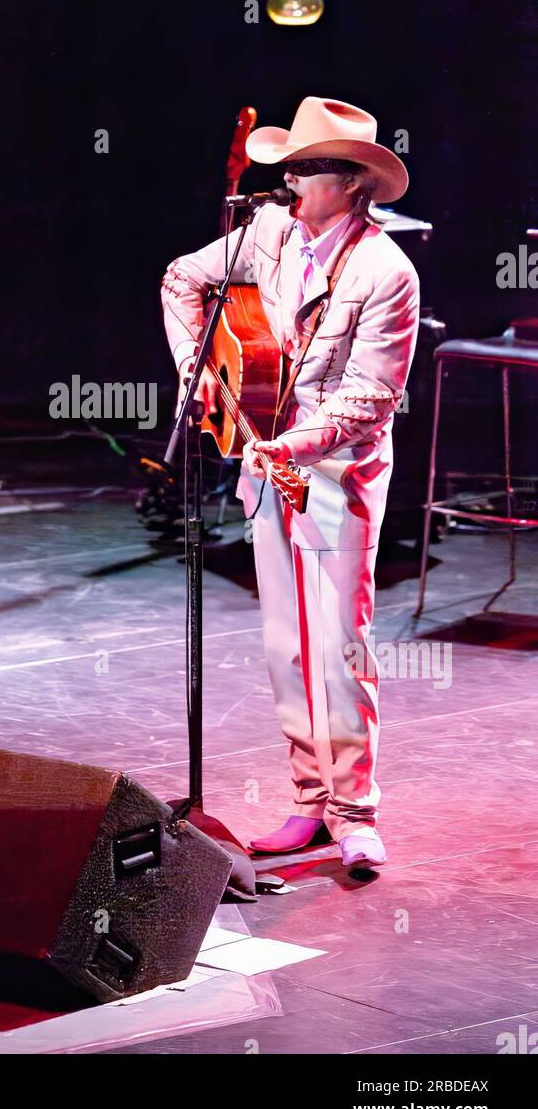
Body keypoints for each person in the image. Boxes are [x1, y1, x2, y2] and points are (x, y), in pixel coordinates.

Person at [161, 97, 420, 868]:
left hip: (337, 470)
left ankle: (355, 812)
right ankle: (309, 799)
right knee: (285, 644)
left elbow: (369, 396)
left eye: (305, 168)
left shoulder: (386, 271)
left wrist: (291, 443)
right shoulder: (270, 233)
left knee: (340, 641)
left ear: (350, 184)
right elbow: (182, 279)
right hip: (263, 457)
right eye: (290, 166)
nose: (288, 180)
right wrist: (196, 376)